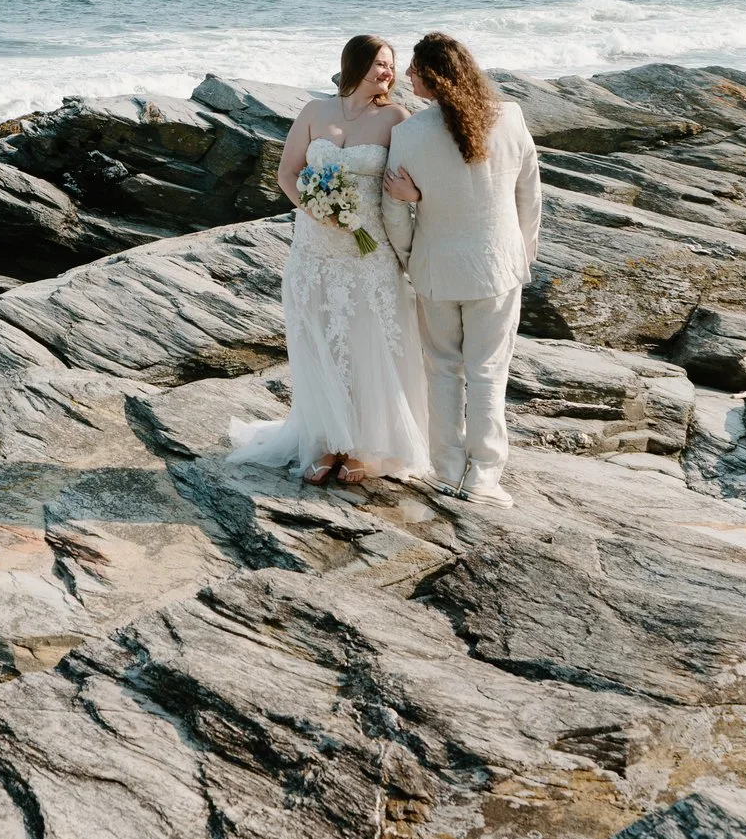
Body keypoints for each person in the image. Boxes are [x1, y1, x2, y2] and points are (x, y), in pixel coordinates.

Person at [227, 35, 430, 486]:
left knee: (366, 342)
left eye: (391, 66)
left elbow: (415, 176)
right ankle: (325, 440)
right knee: (318, 338)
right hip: (313, 250)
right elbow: (287, 173)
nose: (387, 73)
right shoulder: (314, 112)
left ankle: (364, 446)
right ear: (354, 64)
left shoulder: (396, 118)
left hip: (368, 251)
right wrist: (318, 210)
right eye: (379, 63)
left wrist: (414, 195)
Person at [381, 32, 540, 505]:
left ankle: (448, 470)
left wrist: (411, 256)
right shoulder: (509, 117)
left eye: (414, 69)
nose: (408, 76)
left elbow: (393, 208)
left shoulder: (408, 134)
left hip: (436, 269)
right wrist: (523, 251)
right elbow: (529, 194)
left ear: (434, 76)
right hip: (498, 266)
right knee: (489, 371)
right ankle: (485, 478)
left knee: (443, 370)